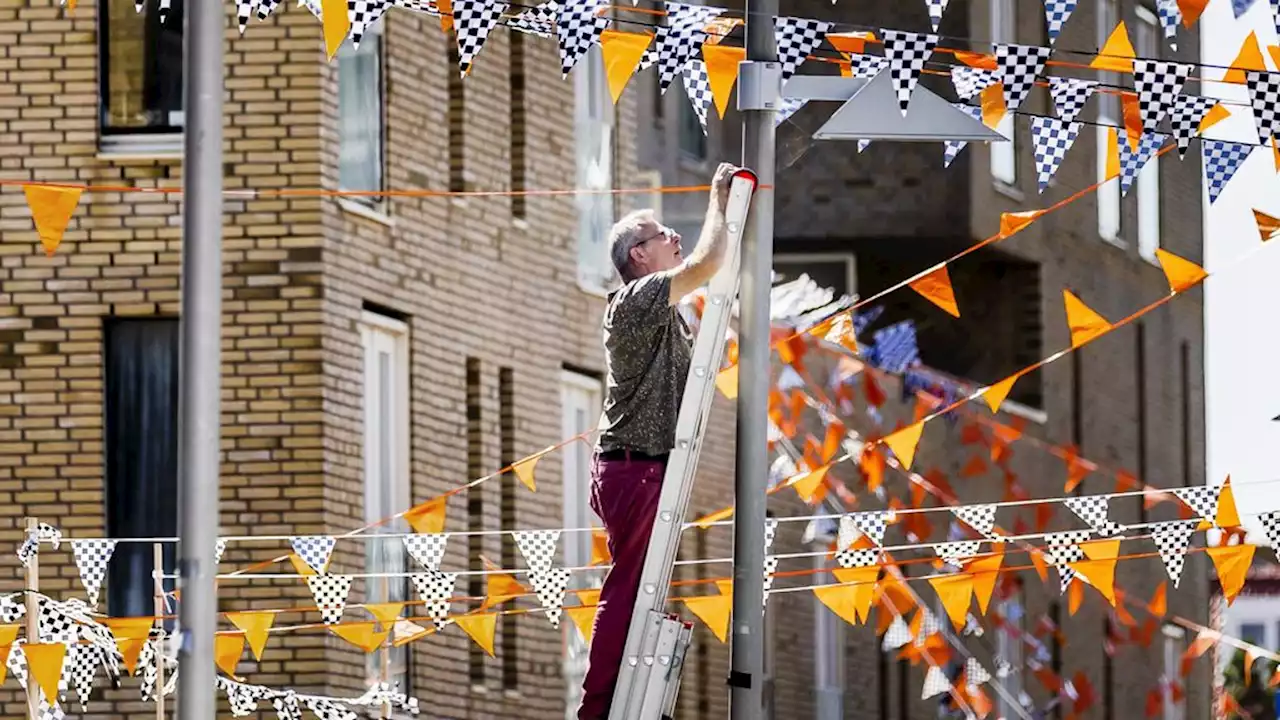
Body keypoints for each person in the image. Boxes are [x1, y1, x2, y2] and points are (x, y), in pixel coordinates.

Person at [577, 162, 742, 720]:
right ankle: (597, 708)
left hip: (645, 467)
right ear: (639, 257)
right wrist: (719, 201)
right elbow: (709, 261)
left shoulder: (667, 314)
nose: (674, 236)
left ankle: (627, 695)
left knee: (641, 588)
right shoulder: (636, 299)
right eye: (660, 233)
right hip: (632, 466)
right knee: (627, 588)